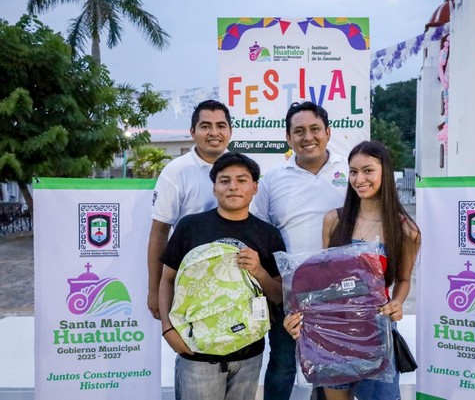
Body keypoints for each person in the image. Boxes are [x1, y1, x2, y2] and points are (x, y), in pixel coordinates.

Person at [284, 140, 421, 400]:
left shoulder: (405, 230)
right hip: (331, 335)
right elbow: (324, 283)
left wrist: (397, 302)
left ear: (385, 172)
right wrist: (298, 316)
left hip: (376, 333)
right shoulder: (334, 220)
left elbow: (403, 279)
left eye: (368, 171)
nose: (359, 179)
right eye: (353, 171)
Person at [159, 152, 286, 400]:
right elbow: (168, 280)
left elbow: (279, 295)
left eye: (242, 180)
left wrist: (259, 271)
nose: (233, 187)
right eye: (225, 180)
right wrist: (167, 329)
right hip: (197, 351)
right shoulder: (190, 226)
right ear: (214, 188)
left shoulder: (268, 234)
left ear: (255, 187)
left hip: (249, 351)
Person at [251, 101, 349, 400]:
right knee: (282, 364)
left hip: (339, 292)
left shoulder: (349, 171)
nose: (308, 137)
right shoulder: (272, 180)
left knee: (330, 365)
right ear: (288, 137)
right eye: (299, 131)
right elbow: (259, 233)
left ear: (328, 132)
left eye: (315, 129)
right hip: (288, 292)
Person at [147, 99, 233, 319]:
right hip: (190, 282)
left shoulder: (241, 168)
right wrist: (155, 290)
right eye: (205, 126)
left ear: (230, 132)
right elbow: (159, 232)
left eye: (221, 126)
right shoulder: (176, 172)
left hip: (235, 282)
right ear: (193, 132)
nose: (214, 133)